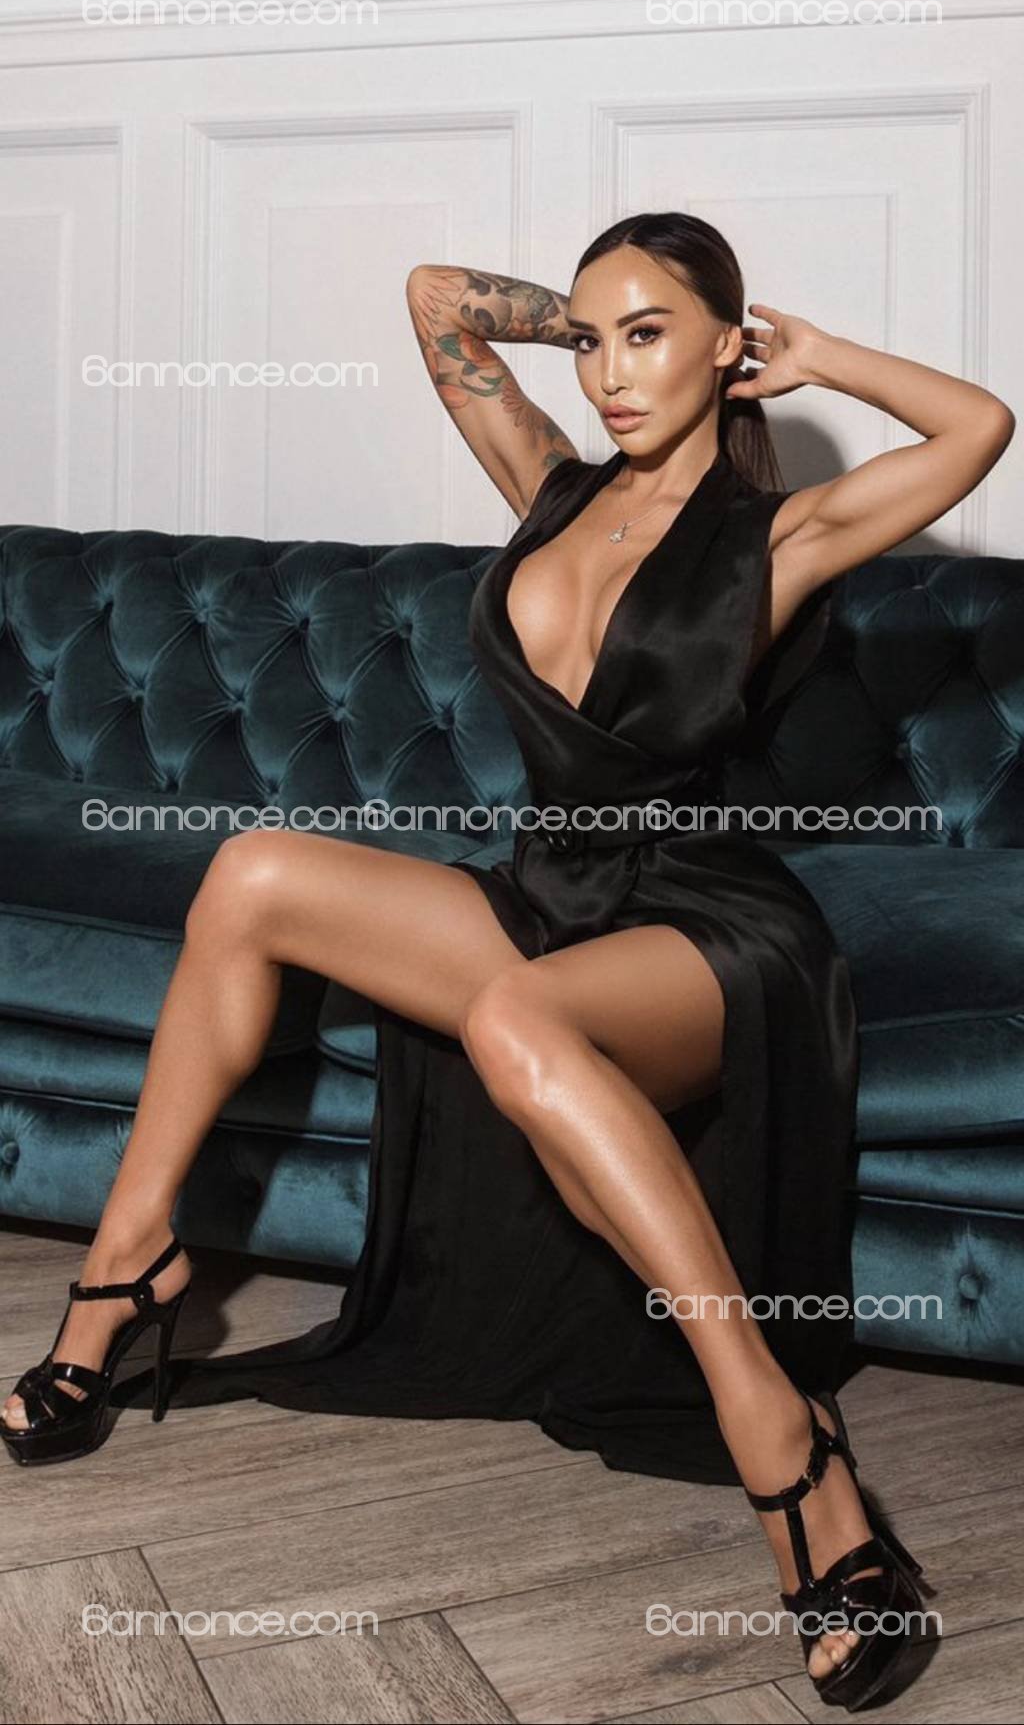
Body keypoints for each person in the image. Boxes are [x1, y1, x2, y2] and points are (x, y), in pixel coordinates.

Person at [3, 212, 1013, 1710]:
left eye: (648, 336)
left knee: (519, 1021)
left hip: (704, 925)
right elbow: (434, 301)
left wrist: (809, 355)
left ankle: (778, 1435)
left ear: (725, 345)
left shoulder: (779, 538)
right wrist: (590, 321)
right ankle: (128, 1267)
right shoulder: (550, 487)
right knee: (254, 872)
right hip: (543, 891)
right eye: (593, 340)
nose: (609, 372)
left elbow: (980, 427)